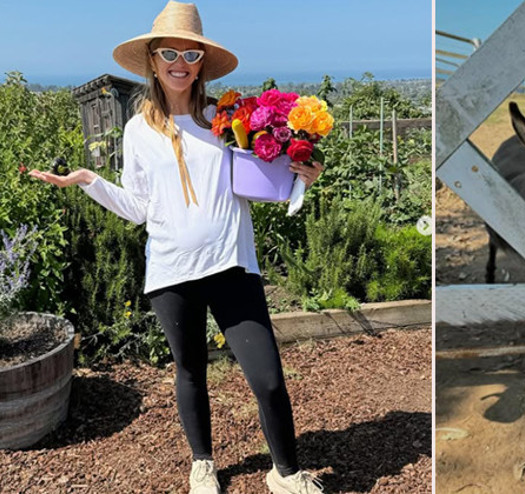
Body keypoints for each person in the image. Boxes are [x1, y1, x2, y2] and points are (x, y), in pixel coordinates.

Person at [29, 2, 325, 493]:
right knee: (190, 372)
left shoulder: (227, 120)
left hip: (233, 265)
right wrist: (87, 180)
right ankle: (203, 463)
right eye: (169, 51)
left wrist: (303, 176)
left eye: (191, 53)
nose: (180, 62)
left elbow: (265, 180)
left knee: (268, 378)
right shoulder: (137, 131)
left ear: (202, 62)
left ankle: (285, 472)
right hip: (171, 272)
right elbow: (139, 208)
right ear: (152, 59)